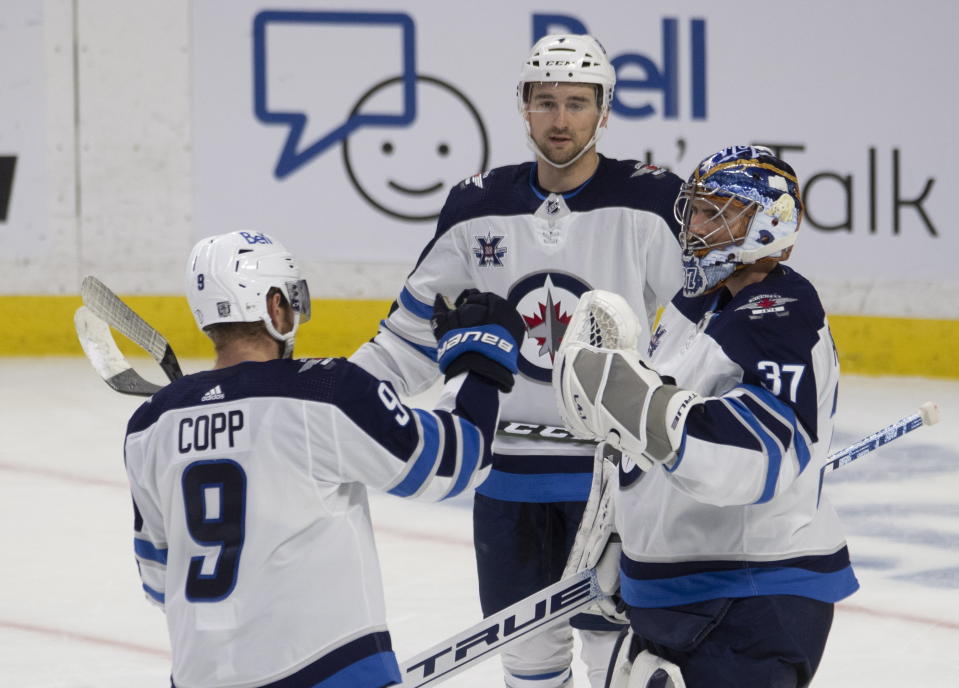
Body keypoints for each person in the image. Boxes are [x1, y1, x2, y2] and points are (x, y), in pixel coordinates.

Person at [349, 34, 684, 688]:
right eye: (546, 102)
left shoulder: (649, 201)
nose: (560, 120)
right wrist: (333, 395)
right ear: (523, 107)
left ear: (604, 110)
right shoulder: (477, 206)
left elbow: (701, 332)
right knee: (528, 664)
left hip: (612, 483)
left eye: (577, 104)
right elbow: (411, 338)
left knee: (612, 657)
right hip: (506, 481)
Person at [122, 230, 525, 688]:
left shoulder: (150, 426)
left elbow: (159, 582)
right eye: (291, 299)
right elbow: (455, 461)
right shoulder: (326, 391)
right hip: (327, 670)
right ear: (274, 306)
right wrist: (478, 362)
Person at [555, 145, 860, 687]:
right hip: (683, 592)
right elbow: (652, 447)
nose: (696, 226)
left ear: (768, 223)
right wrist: (625, 543)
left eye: (718, 212)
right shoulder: (693, 303)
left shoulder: (779, 313)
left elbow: (761, 455)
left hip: (750, 596)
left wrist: (637, 402)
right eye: (694, 209)